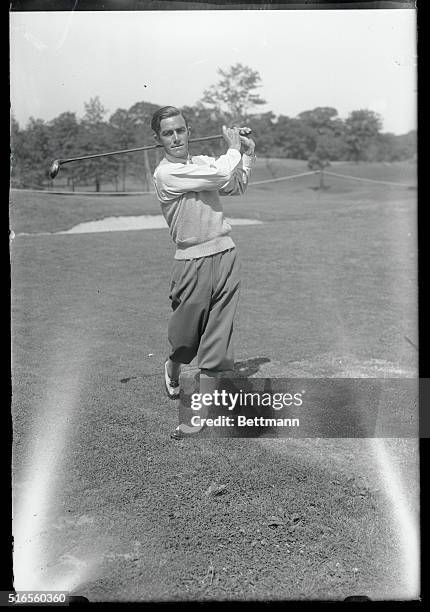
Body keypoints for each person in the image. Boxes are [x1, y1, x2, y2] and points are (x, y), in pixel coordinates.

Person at [151, 106, 256, 432]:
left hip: (225, 253)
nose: (176, 137)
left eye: (180, 130)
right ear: (159, 140)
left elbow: (234, 185)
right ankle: (173, 365)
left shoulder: (202, 164)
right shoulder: (165, 174)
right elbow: (223, 174)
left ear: (189, 131)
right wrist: (233, 148)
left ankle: (197, 415)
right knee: (185, 341)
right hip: (191, 262)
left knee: (218, 339)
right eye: (168, 133)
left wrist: (247, 156)